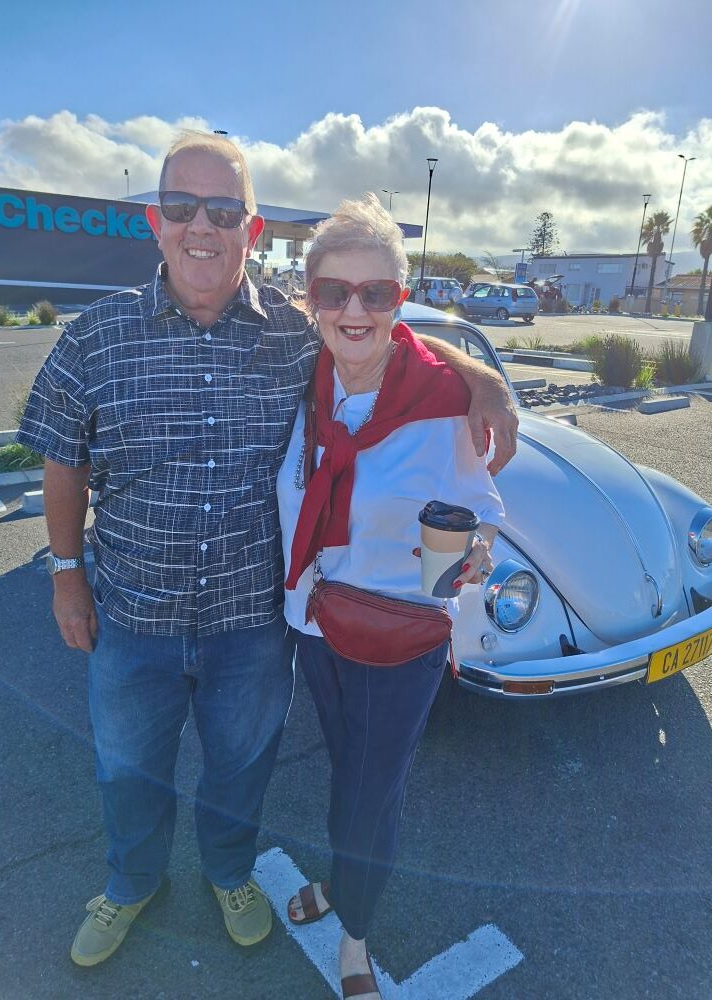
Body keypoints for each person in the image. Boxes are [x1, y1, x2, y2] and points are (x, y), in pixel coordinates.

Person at [16, 131, 517, 969]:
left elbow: (391, 344)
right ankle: (131, 882)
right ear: (156, 221)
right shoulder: (95, 336)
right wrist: (68, 576)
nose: (200, 226)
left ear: (251, 231)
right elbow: (59, 454)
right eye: (182, 207)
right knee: (127, 768)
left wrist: (483, 376)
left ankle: (228, 874)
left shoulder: (295, 333)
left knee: (240, 770)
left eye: (222, 210)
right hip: (131, 614)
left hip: (251, 622)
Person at [277, 194, 504, 999]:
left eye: (377, 293)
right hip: (312, 620)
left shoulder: (441, 399)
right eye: (334, 291)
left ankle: (356, 937)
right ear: (310, 298)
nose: (354, 310)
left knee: (374, 790)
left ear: (399, 301)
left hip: (400, 631)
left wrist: (475, 549)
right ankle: (345, 882)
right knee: (349, 772)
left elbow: (484, 506)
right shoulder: (297, 379)